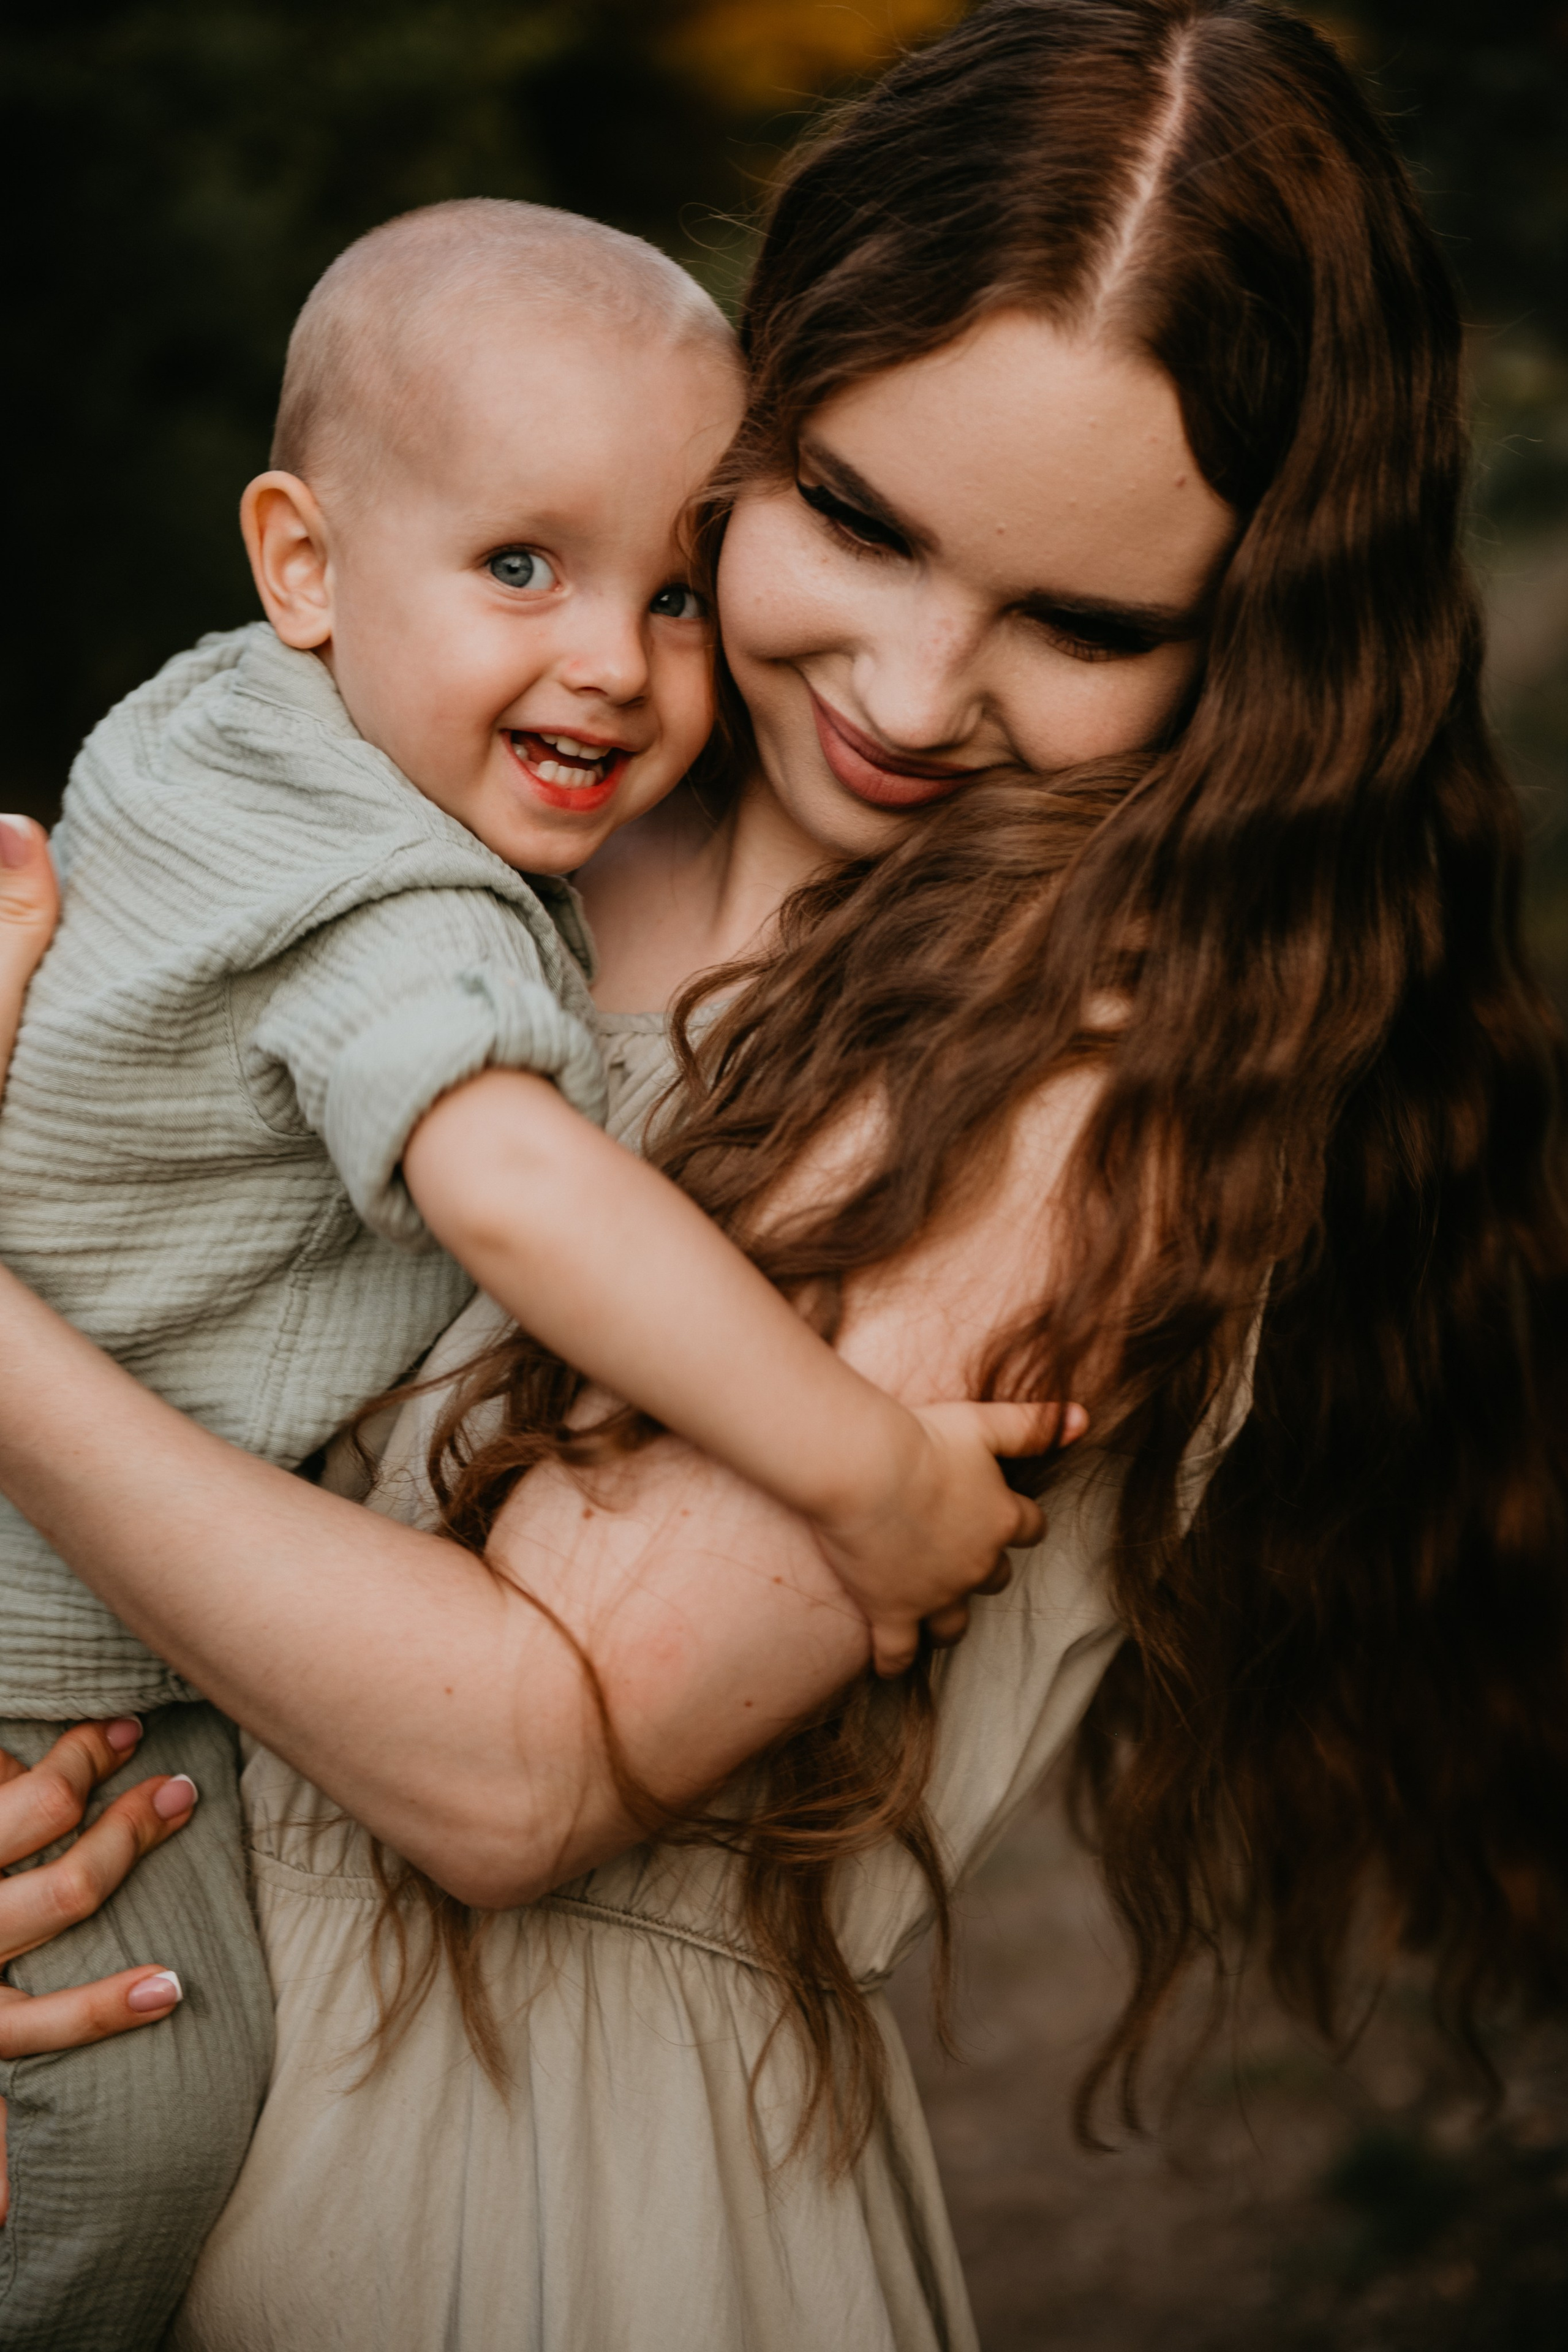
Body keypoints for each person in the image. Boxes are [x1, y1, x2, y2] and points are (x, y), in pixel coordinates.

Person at [1, 0, 1565, 2345]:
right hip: (156, 2061)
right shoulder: (484, 830)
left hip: (523, 2229)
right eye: (855, 519)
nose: (918, 697)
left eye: (1088, 623)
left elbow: (519, 1777)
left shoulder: (1095, 1070)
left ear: (1256, 641)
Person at [0, 200, 1052, 2348]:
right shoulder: (403, 895)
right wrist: (862, 1477)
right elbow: (517, 1193)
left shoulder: (210, 733)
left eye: (675, 585)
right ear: (300, 562)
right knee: (123, 2132)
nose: (614, 658)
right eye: (521, 568)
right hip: (68, 1674)